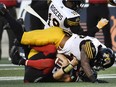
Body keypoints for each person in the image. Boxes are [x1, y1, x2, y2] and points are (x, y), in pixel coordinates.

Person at [0, 3, 115, 83]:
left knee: (42, 52)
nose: (98, 66)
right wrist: (94, 80)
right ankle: (5, 13)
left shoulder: (100, 46)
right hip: (57, 37)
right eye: (100, 64)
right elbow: (84, 62)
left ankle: (21, 35)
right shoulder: (92, 50)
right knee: (22, 37)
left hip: (61, 43)